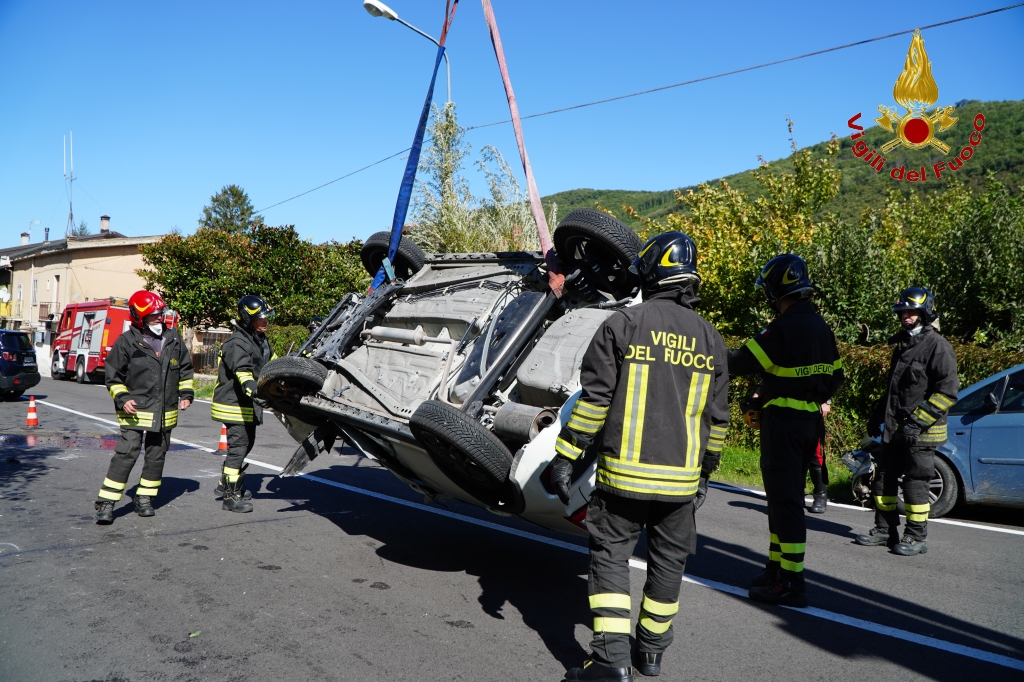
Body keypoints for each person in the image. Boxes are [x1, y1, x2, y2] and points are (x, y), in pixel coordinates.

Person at [551, 232, 729, 682]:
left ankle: (610, 662)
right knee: (668, 564)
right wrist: (705, 474)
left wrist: (566, 456)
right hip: (681, 485)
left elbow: (594, 402)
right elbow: (718, 420)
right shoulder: (710, 338)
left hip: (623, 481)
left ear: (650, 273)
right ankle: (650, 654)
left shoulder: (624, 324)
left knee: (611, 559)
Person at [727, 254, 843, 608]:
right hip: (810, 424)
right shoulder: (821, 327)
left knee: (786, 504)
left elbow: (740, 362)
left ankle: (792, 582)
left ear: (776, 290)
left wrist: (705, 345)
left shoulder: (783, 328)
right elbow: (836, 377)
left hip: (783, 426)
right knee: (782, 501)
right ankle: (776, 570)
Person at [855, 287, 957, 555]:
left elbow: (947, 393)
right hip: (894, 429)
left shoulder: (938, 346)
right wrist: (878, 415)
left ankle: (916, 537)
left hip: (922, 433)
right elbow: (894, 389)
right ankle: (885, 530)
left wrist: (917, 422)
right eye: (902, 312)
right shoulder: (903, 344)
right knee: (883, 479)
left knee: (915, 484)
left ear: (925, 313)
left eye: (911, 312)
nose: (906, 316)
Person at [95, 290, 194, 523]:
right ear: (139, 317)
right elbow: (113, 377)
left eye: (160, 313)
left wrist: (186, 394)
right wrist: (123, 398)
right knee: (127, 452)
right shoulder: (126, 341)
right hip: (135, 409)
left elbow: (186, 369)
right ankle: (107, 503)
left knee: (156, 455)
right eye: (153, 314)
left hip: (165, 410)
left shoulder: (173, 339)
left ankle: (144, 498)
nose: (159, 317)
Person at [212, 295, 276, 513]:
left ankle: (225, 484)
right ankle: (230, 497)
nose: (265, 321)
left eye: (266, 316)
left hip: (248, 404)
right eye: (260, 318)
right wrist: (255, 390)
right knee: (238, 448)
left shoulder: (259, 340)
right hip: (234, 404)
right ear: (248, 319)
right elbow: (243, 372)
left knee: (247, 445)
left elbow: (272, 363)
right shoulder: (237, 343)